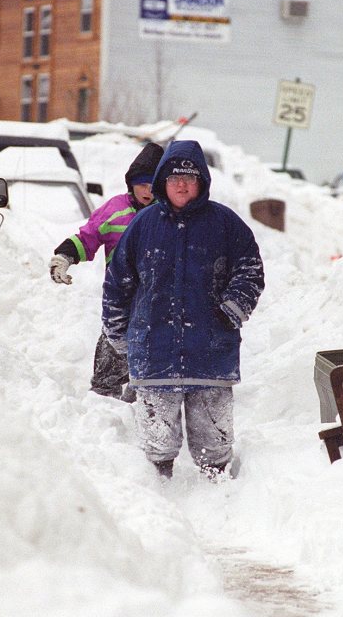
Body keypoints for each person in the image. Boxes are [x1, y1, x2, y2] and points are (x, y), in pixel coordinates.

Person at [101, 139, 264, 478]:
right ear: (162, 181)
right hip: (154, 354)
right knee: (157, 446)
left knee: (214, 446)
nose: (181, 184)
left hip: (210, 355)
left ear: (201, 182)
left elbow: (250, 270)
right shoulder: (143, 225)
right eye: (174, 178)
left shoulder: (224, 223)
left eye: (189, 178)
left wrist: (232, 308)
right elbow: (118, 282)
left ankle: (220, 493)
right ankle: (159, 493)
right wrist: (118, 334)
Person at [49, 141, 164, 399]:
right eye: (142, 184)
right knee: (110, 360)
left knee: (149, 365)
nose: (148, 191)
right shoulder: (115, 210)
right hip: (119, 302)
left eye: (154, 185)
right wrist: (65, 256)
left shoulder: (167, 215)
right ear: (131, 183)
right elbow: (88, 237)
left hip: (156, 303)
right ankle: (103, 400)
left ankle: (139, 397)